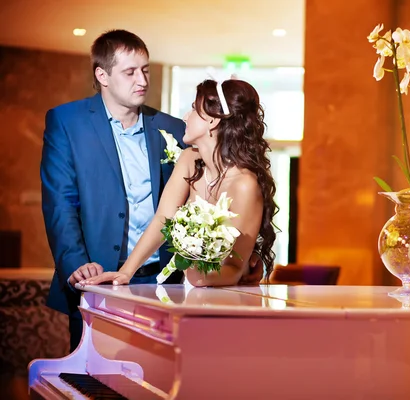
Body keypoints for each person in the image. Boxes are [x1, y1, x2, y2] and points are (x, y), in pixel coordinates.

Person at [41, 30, 263, 353]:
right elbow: (59, 203)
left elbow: (222, 198)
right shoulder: (67, 122)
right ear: (101, 75)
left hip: (167, 285)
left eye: (145, 69)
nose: (142, 80)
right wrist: (82, 265)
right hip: (100, 280)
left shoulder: (175, 130)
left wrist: (243, 249)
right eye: (130, 72)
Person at [80, 78, 277, 287]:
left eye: (193, 109)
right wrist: (126, 272)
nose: (185, 117)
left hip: (226, 296)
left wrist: (197, 276)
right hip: (187, 289)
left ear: (212, 120)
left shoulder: (245, 184)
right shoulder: (188, 159)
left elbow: (235, 268)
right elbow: (163, 219)